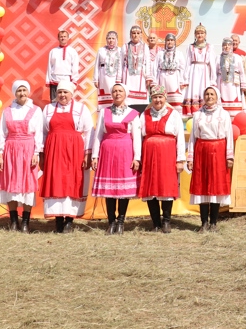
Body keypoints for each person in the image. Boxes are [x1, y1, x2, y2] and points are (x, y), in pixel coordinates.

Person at [40, 80, 93, 233]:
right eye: (60, 92)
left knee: (72, 182)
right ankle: (58, 221)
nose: (62, 95)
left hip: (74, 150)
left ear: (72, 94)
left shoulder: (81, 108)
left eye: (65, 92)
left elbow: (89, 131)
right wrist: (43, 154)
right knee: (56, 181)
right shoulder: (49, 109)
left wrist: (87, 154)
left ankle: (69, 221)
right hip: (54, 149)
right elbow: (43, 132)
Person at [90, 83, 141, 235]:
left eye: (120, 91)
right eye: (114, 91)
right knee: (110, 188)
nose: (117, 93)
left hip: (125, 152)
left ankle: (121, 221)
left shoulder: (133, 113)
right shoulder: (104, 112)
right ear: (111, 94)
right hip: (107, 151)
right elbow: (98, 135)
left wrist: (137, 157)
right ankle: (111, 221)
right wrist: (95, 155)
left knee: (123, 190)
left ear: (125, 94)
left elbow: (136, 137)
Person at [0, 79, 43, 233]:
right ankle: (13, 220)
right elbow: (2, 134)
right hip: (10, 149)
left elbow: (39, 134)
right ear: (14, 93)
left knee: (27, 184)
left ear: (28, 92)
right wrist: (1, 154)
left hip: (28, 149)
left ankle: (25, 222)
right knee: (10, 183)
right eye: (19, 91)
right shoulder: (8, 111)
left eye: (24, 90)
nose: (22, 93)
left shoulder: (36, 110)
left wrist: (36, 152)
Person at [187, 85, 234, 232]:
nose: (209, 97)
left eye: (212, 94)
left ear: (217, 96)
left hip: (219, 150)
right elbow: (193, 138)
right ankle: (203, 223)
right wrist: (190, 158)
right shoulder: (197, 115)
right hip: (201, 151)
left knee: (216, 187)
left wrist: (229, 156)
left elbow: (229, 137)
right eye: (207, 94)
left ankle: (214, 222)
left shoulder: (224, 114)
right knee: (202, 186)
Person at [138, 85, 185, 233]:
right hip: (149, 155)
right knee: (150, 187)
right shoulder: (144, 114)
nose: (158, 100)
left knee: (166, 186)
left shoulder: (173, 114)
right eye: (155, 97)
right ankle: (155, 223)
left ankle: (166, 222)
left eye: (160, 97)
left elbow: (181, 138)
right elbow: (138, 137)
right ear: (151, 98)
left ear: (165, 98)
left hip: (167, 155)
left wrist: (180, 159)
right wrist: (138, 158)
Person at [182, 23, 218, 117]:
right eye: (198, 33)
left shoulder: (210, 47)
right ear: (195, 35)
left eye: (202, 33)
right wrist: (185, 78)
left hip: (204, 71)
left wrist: (213, 79)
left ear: (205, 34)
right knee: (193, 90)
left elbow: (212, 64)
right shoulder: (191, 47)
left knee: (203, 90)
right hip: (193, 71)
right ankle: (193, 113)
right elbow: (187, 63)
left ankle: (204, 112)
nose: (200, 35)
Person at [46, 30, 80, 103]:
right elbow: (49, 66)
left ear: (68, 38)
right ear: (58, 38)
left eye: (64, 37)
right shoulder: (53, 51)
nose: (63, 38)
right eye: (61, 37)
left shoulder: (72, 51)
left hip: (66, 80)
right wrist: (48, 80)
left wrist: (74, 80)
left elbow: (75, 67)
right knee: (54, 101)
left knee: (66, 102)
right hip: (55, 79)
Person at [216, 37, 246, 117]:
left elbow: (242, 72)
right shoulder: (218, 57)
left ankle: (234, 119)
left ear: (232, 46)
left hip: (234, 83)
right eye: (225, 45)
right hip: (221, 83)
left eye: (229, 45)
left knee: (234, 98)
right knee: (222, 99)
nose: (227, 47)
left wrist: (243, 84)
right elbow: (214, 72)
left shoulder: (237, 57)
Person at [156, 33, 187, 108]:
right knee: (163, 98)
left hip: (174, 77)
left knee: (175, 100)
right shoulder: (160, 53)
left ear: (174, 42)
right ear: (165, 42)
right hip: (163, 77)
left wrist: (183, 81)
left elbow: (183, 68)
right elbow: (155, 68)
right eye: (168, 40)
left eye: (172, 40)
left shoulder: (179, 54)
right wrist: (155, 82)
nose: (170, 42)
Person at [93, 31, 124, 108]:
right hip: (103, 77)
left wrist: (119, 78)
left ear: (116, 40)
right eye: (109, 38)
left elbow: (122, 66)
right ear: (106, 39)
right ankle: (103, 114)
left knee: (115, 94)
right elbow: (97, 65)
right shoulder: (101, 50)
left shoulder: (120, 51)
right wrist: (95, 79)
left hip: (115, 78)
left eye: (113, 38)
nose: (111, 40)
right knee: (104, 98)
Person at [122, 25, 149, 110]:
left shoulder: (145, 46)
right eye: (133, 33)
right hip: (128, 76)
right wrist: (119, 79)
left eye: (138, 33)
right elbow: (121, 63)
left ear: (141, 34)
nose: (135, 35)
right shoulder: (125, 46)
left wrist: (148, 77)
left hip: (141, 76)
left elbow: (148, 62)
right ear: (130, 34)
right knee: (128, 100)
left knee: (140, 102)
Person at [231, 34, 246, 99]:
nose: (234, 42)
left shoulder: (243, 54)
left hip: (240, 80)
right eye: (232, 40)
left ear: (239, 42)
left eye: (236, 40)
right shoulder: (226, 53)